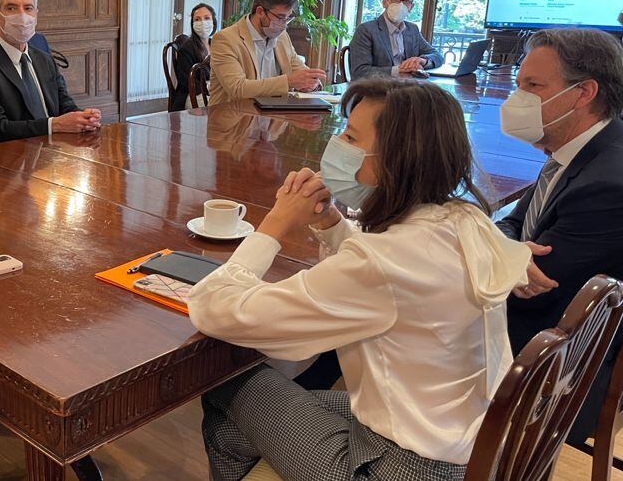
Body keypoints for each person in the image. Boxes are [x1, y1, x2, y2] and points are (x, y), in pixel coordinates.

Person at [188, 78, 530, 481]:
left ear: (394, 158)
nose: (339, 146)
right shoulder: (466, 218)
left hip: (401, 467)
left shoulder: (382, 262)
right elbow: (388, 278)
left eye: (350, 137)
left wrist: (274, 225)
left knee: (227, 385)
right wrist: (333, 223)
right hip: (474, 439)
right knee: (263, 410)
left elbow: (213, 309)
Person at [495, 28, 623, 443]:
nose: (518, 99)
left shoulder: (608, 181)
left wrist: (496, 257)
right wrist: (506, 251)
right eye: (519, 84)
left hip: (555, 363)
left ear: (583, 92)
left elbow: (533, 285)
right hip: (542, 328)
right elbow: (515, 224)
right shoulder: (578, 148)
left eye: (533, 86)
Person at [0, 0, 101, 145]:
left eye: (28, 8)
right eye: (11, 8)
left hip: (56, 154)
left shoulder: (44, 59)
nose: (22, 16)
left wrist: (83, 118)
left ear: (36, 14)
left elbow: (65, 105)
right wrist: (53, 125)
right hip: (9, 159)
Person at [207, 0, 326, 105]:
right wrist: (288, 82)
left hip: (274, 118)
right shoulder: (226, 39)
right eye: (280, 18)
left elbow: (299, 71)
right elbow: (237, 88)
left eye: (288, 18)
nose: (284, 25)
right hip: (234, 118)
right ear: (260, 12)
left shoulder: (282, 37)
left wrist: (311, 83)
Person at [348, 0, 443, 80]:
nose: (401, 5)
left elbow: (437, 56)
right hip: (376, 90)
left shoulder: (412, 29)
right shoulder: (366, 30)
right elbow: (359, 72)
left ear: (411, 7)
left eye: (406, 1)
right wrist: (399, 70)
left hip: (409, 88)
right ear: (385, 2)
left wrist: (423, 61)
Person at [168, 3, 218, 112]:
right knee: (219, 107)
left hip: (213, 92)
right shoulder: (186, 49)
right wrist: (209, 89)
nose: (202, 22)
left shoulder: (217, 45)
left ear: (213, 22)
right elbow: (187, 81)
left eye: (206, 18)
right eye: (197, 19)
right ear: (192, 24)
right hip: (192, 94)